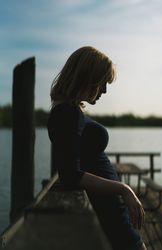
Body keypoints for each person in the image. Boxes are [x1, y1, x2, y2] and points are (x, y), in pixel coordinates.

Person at [47, 46, 147, 250]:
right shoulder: (66, 113)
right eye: (102, 82)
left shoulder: (66, 110)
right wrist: (124, 189)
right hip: (107, 215)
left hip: (110, 211)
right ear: (86, 76)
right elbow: (70, 175)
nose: (104, 90)